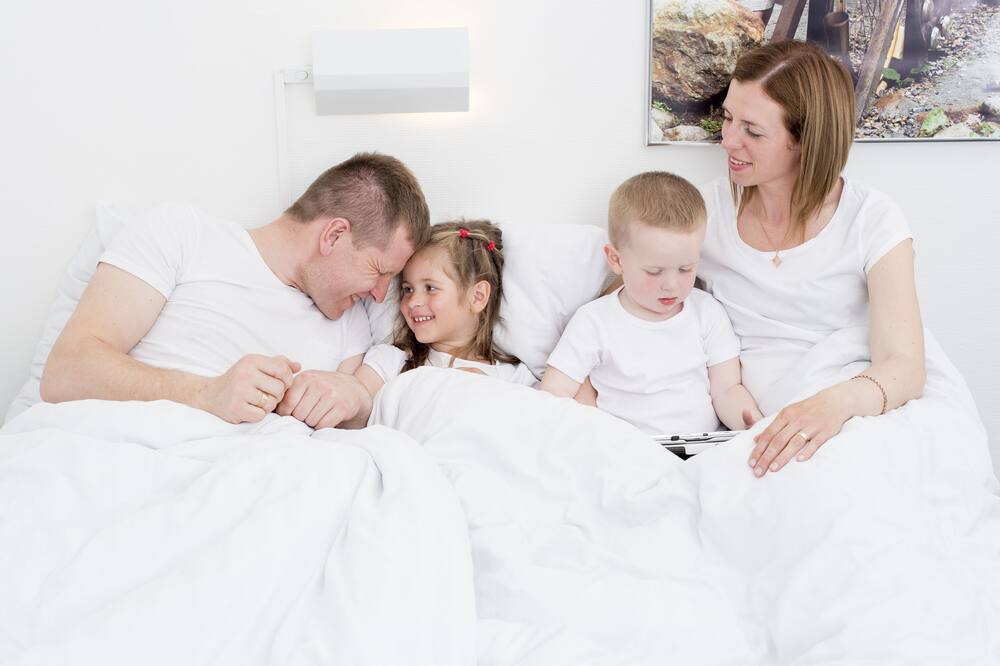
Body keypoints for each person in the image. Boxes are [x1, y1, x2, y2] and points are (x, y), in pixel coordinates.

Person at [40, 152, 430, 429]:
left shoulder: (350, 321)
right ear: (334, 235)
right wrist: (206, 394)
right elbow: (66, 371)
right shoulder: (184, 235)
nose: (381, 294)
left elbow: (352, 430)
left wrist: (356, 399)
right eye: (379, 271)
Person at [700, 40, 926, 476]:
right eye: (728, 118)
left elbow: (906, 366)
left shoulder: (872, 219)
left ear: (806, 141)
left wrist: (831, 406)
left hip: (846, 413)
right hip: (749, 424)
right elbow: (626, 301)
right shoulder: (704, 213)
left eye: (753, 131)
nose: (728, 140)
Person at [539, 171, 762, 435]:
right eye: (655, 272)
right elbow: (554, 391)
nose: (672, 285)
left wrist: (750, 424)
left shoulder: (707, 312)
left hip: (701, 448)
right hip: (626, 448)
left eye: (685, 269)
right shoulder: (594, 321)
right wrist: (589, 431)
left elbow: (726, 390)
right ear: (616, 260)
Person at [356, 220, 536, 402]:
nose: (413, 302)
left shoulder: (515, 379)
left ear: (477, 296)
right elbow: (355, 399)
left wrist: (486, 389)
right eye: (408, 289)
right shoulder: (389, 362)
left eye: (430, 288)